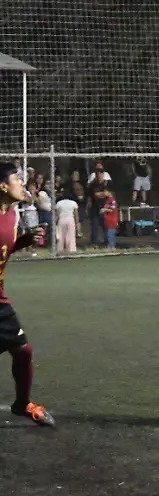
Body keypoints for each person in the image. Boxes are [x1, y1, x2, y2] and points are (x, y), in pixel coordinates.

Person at [0, 162, 55, 427]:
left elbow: (5, 248)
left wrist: (24, 240)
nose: (23, 183)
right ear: (3, 186)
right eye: (17, 179)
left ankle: (22, 404)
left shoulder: (11, 213)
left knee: (23, 350)